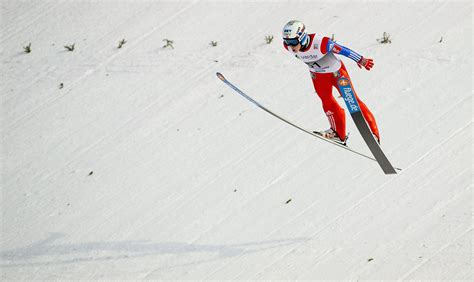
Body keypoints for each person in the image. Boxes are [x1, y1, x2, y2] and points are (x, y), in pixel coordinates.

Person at [282, 20, 380, 144]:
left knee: (352, 100)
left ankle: (374, 133)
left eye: (292, 42)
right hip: (318, 76)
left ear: (302, 37)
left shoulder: (321, 43)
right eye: (286, 42)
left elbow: (343, 50)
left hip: (337, 74)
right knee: (326, 101)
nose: (290, 46)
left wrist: (361, 60)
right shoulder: (288, 47)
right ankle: (338, 133)